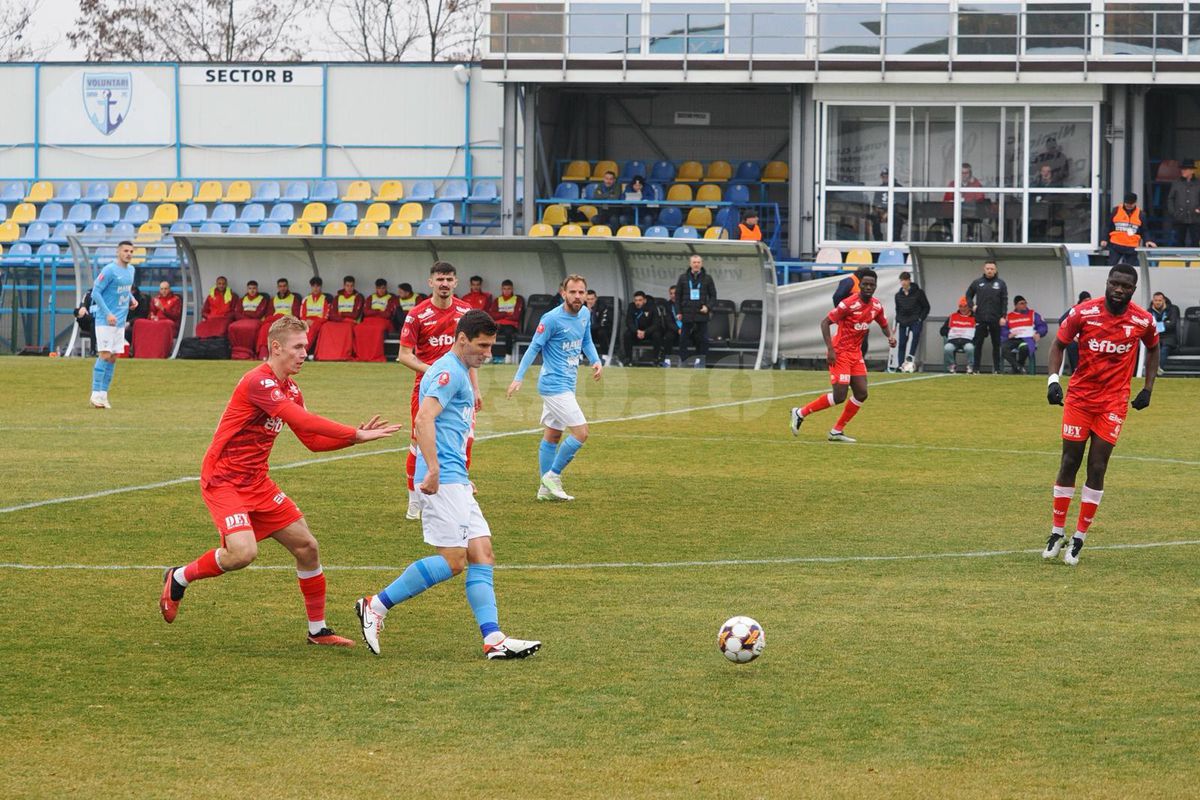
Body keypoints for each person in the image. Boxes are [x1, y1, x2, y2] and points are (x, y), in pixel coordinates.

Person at [158, 315, 402, 642]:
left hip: (257, 482)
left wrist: (352, 437)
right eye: (298, 347)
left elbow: (312, 441)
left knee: (307, 547)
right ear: (276, 347)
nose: (304, 353)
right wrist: (355, 434)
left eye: (306, 346)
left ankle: (318, 631)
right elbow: (298, 418)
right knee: (242, 554)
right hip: (224, 479)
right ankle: (179, 578)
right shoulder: (258, 382)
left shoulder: (291, 388)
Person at [355, 310, 540, 660]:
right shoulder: (447, 372)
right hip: (443, 478)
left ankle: (493, 639)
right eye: (482, 346)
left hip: (457, 478)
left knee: (482, 553)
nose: (487, 354)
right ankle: (375, 605)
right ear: (462, 340)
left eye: (491, 346)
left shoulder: (461, 371)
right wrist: (435, 470)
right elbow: (424, 419)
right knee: (454, 561)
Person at [1042, 264, 1159, 566]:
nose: (1119, 290)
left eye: (1126, 286)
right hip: (1079, 399)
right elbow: (1058, 344)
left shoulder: (1142, 320)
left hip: (1113, 403)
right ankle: (1057, 532)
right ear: (1107, 283)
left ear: (1134, 290)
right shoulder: (1084, 313)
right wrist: (1054, 380)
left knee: (1097, 466)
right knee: (1069, 461)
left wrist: (1147, 388)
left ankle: (1079, 537)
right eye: (1115, 284)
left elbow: (1154, 348)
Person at [507, 274, 603, 501]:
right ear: (563, 293)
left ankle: (544, 490)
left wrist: (596, 360)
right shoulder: (551, 319)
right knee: (581, 433)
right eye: (573, 292)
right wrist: (518, 377)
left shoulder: (585, 314)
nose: (578, 296)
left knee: (552, 436)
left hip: (569, 383)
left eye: (582, 292)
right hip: (554, 385)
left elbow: (586, 340)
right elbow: (533, 348)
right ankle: (553, 475)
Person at [398, 262, 479, 520]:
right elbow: (403, 355)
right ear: (430, 282)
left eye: (449, 279)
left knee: (463, 441)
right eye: (440, 279)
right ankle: (414, 500)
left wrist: (476, 389)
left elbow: (473, 353)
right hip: (426, 389)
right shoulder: (417, 315)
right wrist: (431, 370)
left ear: (456, 282)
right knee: (420, 442)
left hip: (460, 390)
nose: (444, 283)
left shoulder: (466, 314)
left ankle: (458, 491)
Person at [790, 269, 896, 442]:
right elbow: (825, 323)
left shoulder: (876, 306)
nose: (868, 287)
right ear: (859, 285)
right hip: (839, 352)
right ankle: (800, 412)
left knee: (861, 393)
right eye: (865, 284)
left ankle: (836, 431)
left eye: (872, 285)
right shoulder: (848, 304)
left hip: (855, 353)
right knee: (839, 396)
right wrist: (830, 349)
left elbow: (883, 323)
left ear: (876, 286)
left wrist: (890, 337)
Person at [87, 240, 137, 408]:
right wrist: (107, 313)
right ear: (118, 252)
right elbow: (96, 292)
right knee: (105, 354)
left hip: (120, 321)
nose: (128, 254)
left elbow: (125, 289)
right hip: (105, 320)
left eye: (131, 251)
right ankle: (95, 393)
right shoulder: (109, 270)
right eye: (125, 251)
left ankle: (103, 394)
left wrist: (132, 299)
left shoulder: (131, 270)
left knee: (114, 358)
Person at [674, 254, 717, 367]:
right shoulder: (683, 278)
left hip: (701, 313)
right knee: (683, 339)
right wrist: (678, 311)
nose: (696, 264)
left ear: (701, 264)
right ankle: (683, 361)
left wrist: (708, 307)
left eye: (698, 262)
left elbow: (713, 296)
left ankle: (701, 362)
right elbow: (677, 297)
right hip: (686, 313)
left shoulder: (708, 278)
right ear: (690, 264)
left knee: (702, 339)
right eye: (694, 262)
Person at [965, 260, 1007, 374]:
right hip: (981, 318)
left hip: (995, 318)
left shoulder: (1001, 284)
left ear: (995, 270)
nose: (990, 271)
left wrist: (1003, 316)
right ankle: (976, 368)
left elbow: (1004, 300)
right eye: (988, 268)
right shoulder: (977, 283)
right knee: (978, 344)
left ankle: (997, 369)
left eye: (992, 269)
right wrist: (971, 305)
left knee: (996, 344)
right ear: (984, 269)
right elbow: (968, 295)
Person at [314, 275, 362, 361]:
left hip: (351, 322)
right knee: (325, 326)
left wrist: (341, 313)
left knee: (347, 328)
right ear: (344, 286)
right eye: (347, 286)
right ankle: (325, 354)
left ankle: (342, 354)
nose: (349, 288)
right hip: (341, 321)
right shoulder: (337, 297)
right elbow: (332, 314)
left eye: (351, 286)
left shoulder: (358, 297)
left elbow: (355, 315)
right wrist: (343, 318)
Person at [1101, 192, 1156, 266]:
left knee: (1130, 269)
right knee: (1111, 266)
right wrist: (1104, 239)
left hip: (1132, 247)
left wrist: (1148, 240)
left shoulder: (1141, 214)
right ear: (1124, 202)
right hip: (1116, 245)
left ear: (1135, 203)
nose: (1129, 205)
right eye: (1127, 203)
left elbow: (1144, 230)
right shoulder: (1116, 210)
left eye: (1131, 204)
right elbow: (1108, 226)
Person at [1000, 295, 1048, 375]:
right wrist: (1008, 334)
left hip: (1027, 339)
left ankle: (1018, 367)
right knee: (1004, 348)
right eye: (1021, 303)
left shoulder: (1033, 314)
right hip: (1014, 339)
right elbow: (1003, 329)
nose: (1024, 305)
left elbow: (1042, 326)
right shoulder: (1009, 316)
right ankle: (1018, 367)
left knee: (1024, 348)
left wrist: (1039, 333)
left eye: (1025, 303)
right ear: (1016, 305)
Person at [132, 280, 181, 359]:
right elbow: (151, 311)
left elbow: (176, 315)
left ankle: (162, 353)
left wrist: (163, 309)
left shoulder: (176, 299)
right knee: (138, 322)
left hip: (168, 322)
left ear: (169, 289)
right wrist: (152, 316)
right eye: (162, 289)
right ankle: (138, 352)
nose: (164, 291)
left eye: (165, 289)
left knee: (166, 324)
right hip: (156, 322)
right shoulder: (156, 299)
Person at [893, 271, 930, 370]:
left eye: (905, 280)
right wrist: (898, 320)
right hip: (903, 322)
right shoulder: (898, 295)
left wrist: (920, 319)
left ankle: (910, 358)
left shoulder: (919, 293)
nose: (903, 283)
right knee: (902, 343)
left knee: (915, 337)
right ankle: (901, 365)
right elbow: (898, 309)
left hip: (915, 320)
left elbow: (926, 307)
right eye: (901, 280)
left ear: (909, 280)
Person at [354, 279, 397, 363]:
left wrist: (374, 312)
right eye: (379, 288)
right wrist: (379, 311)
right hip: (369, 320)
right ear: (376, 288)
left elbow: (387, 314)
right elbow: (366, 312)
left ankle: (375, 355)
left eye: (383, 288)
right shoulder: (371, 297)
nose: (381, 290)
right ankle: (362, 355)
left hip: (383, 321)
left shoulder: (391, 298)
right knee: (358, 328)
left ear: (386, 288)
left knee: (377, 330)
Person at [256, 278, 301, 359]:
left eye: (284, 286)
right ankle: (264, 354)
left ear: (287, 287)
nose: (282, 288)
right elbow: (269, 314)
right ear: (278, 287)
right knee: (265, 327)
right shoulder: (273, 299)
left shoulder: (294, 298)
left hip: (287, 321)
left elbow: (296, 315)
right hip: (275, 321)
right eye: (280, 286)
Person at [229, 280, 269, 360]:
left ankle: (251, 351)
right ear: (247, 289)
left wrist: (245, 313)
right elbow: (237, 313)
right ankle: (236, 351)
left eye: (254, 288)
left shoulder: (262, 300)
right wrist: (248, 315)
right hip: (242, 320)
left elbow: (258, 314)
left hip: (255, 321)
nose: (252, 290)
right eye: (250, 288)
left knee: (253, 328)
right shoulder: (242, 300)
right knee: (231, 326)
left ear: (257, 289)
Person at [487, 279, 524, 363]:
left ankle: (508, 357)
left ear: (512, 289)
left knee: (508, 333)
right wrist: (506, 313)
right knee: (490, 331)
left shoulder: (517, 299)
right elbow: (493, 315)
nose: (506, 291)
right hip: (499, 324)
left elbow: (516, 316)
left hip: (511, 325)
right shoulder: (497, 300)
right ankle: (488, 355)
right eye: (504, 289)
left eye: (509, 289)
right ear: (502, 289)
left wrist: (500, 315)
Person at [623, 290, 662, 365]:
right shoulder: (631, 306)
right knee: (627, 334)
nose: (637, 302)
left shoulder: (652, 307)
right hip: (636, 332)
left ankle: (656, 358)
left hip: (649, 332)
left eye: (640, 300)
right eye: (636, 300)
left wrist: (645, 332)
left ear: (644, 300)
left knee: (657, 335)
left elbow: (656, 323)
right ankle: (628, 358)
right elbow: (629, 322)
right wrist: (637, 331)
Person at [1166, 162, 1200, 247]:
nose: (1182, 171)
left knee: (1195, 241)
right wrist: (1173, 212)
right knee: (1179, 241)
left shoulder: (1198, 183)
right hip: (1180, 217)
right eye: (1182, 169)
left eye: (1185, 169)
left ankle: (1195, 259)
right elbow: (1170, 198)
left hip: (1196, 217)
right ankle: (1180, 259)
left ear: (1192, 171)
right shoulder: (1176, 183)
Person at [939, 297, 976, 374]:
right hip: (953, 341)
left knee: (969, 348)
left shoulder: (975, 317)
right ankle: (952, 365)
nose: (963, 308)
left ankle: (970, 366)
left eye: (965, 306)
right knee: (947, 348)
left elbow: (982, 332)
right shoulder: (952, 316)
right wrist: (949, 332)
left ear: (969, 307)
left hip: (967, 341)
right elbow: (942, 330)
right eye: (960, 306)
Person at [1059, 291, 1091, 375]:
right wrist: (1072, 335)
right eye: (1085, 300)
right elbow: (1061, 320)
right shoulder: (1074, 310)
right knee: (1072, 345)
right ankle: (1076, 369)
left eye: (1089, 300)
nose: (1088, 303)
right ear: (1080, 301)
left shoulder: (1093, 310)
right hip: (1075, 337)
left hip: (1087, 337)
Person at [1149, 291, 1180, 370]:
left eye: (1160, 300)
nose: (1158, 302)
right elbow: (1147, 325)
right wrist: (1165, 324)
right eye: (1156, 300)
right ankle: (1150, 369)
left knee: (1165, 348)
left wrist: (1156, 325)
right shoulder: (1149, 311)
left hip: (1169, 337)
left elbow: (1172, 324)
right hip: (1155, 336)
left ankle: (1158, 369)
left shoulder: (1173, 309)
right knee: (1153, 347)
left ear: (1164, 301)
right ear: (1153, 301)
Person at [300, 277, 331, 353]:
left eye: (318, 286)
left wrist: (314, 322)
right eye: (313, 286)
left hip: (319, 322)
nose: (315, 288)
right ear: (311, 287)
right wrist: (306, 321)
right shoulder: (306, 299)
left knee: (313, 328)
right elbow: (302, 315)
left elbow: (326, 316)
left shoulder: (325, 299)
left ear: (321, 287)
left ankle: (304, 351)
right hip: (307, 321)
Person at [584, 289, 612, 362]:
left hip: (599, 329)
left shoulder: (602, 306)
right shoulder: (581, 307)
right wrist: (587, 312)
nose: (590, 301)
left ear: (596, 299)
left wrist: (592, 312)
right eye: (588, 299)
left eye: (592, 299)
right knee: (580, 332)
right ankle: (581, 356)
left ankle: (605, 355)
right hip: (588, 330)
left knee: (602, 332)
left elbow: (603, 323)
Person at [658, 286, 682, 366]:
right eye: (671, 293)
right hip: (674, 329)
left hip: (686, 328)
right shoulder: (667, 305)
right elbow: (668, 321)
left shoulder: (685, 303)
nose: (673, 295)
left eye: (674, 293)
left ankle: (686, 360)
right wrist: (678, 330)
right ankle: (667, 359)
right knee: (668, 337)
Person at [74, 289, 97, 356]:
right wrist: (83, 307)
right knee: (76, 311)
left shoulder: (107, 294)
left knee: (94, 323)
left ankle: (93, 350)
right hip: (89, 321)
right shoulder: (89, 293)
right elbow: (83, 303)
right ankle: (93, 351)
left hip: (100, 322)